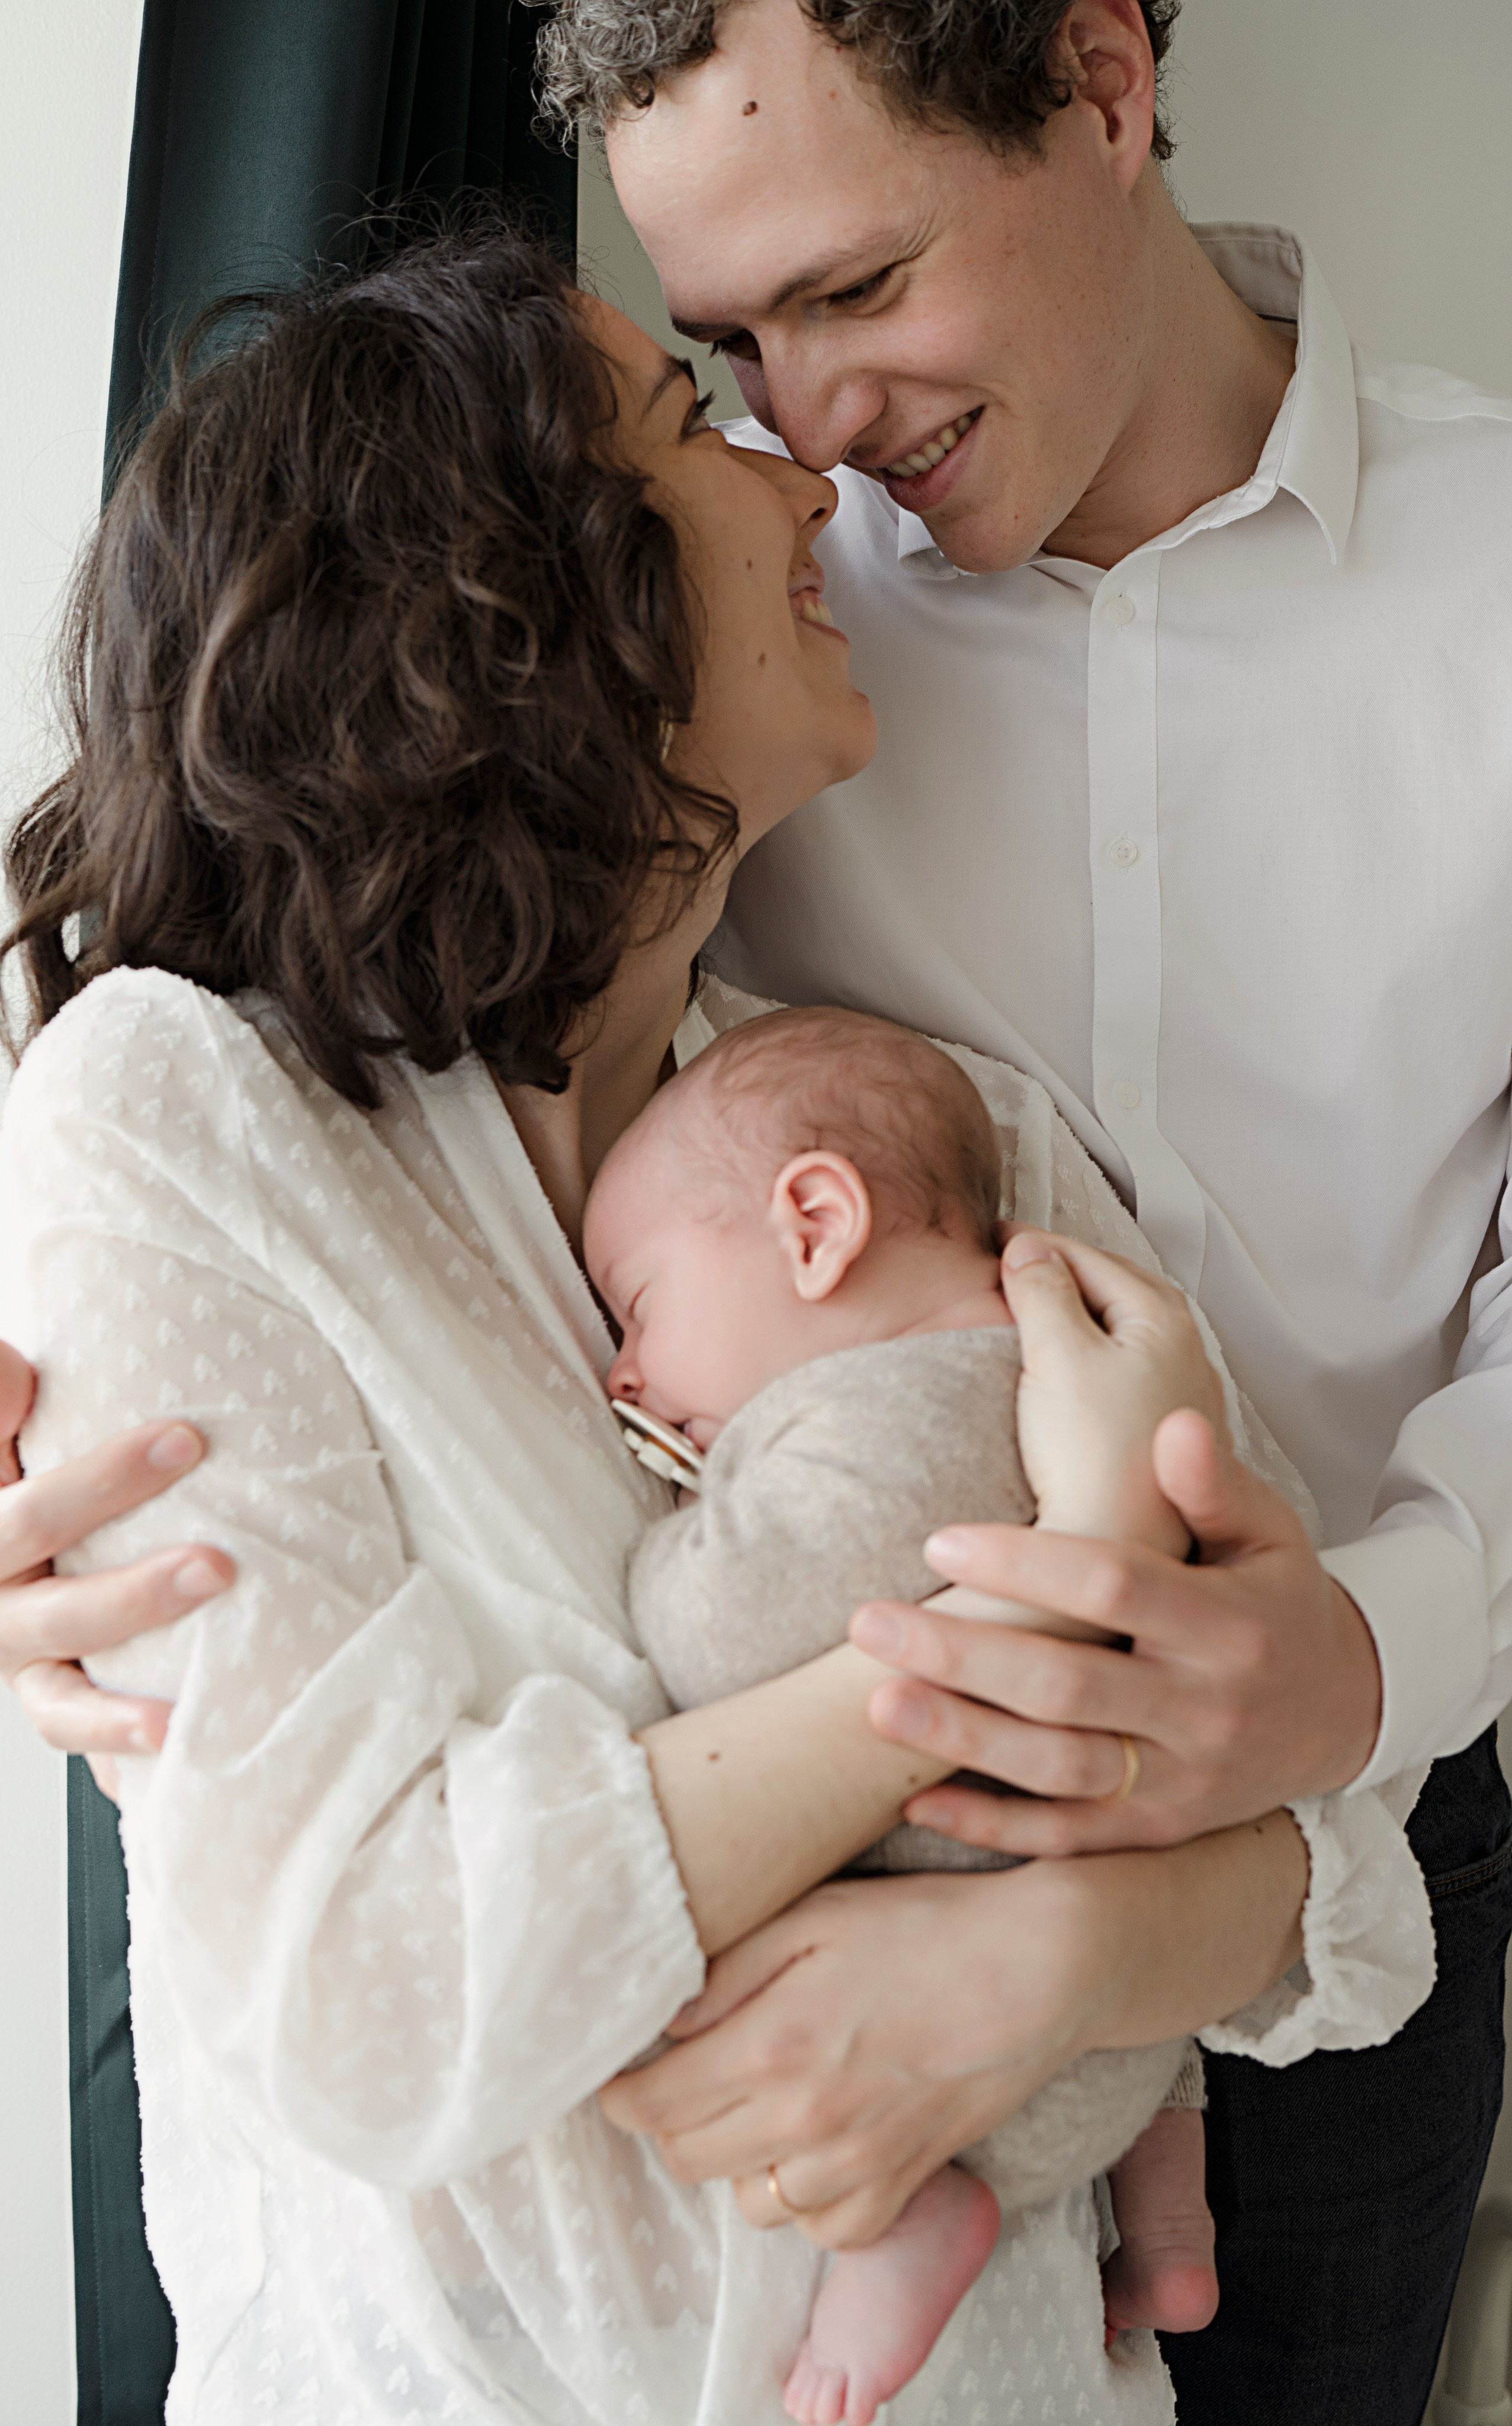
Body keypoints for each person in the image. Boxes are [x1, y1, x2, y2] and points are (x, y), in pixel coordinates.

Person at [0, 216, 1428, 2424]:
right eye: (696, 416)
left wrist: (1074, 1944)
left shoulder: (944, 1136)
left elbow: (1351, 1904)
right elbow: (366, 1998)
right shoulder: (191, 1116)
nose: (799, 476)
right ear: (504, 583)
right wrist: (1005, 1672)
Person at [528, 1, 1512, 2416]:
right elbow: (324, 909)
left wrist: (1359, 1651)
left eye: (853, 288)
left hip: (1367, 1807)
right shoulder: (726, 624)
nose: (804, 416)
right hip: (797, 1842)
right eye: (729, 339)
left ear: (1095, 83)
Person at [586, 1001, 1245, 2422]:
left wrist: (656, 1525)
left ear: (813, 1222)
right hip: (1151, 1983)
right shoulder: (1066, 1358)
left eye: (637, 1306)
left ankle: (910, 2227)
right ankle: (1171, 2219)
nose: (621, 1374)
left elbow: (725, 1627)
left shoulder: (873, 1416)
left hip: (983, 2028)